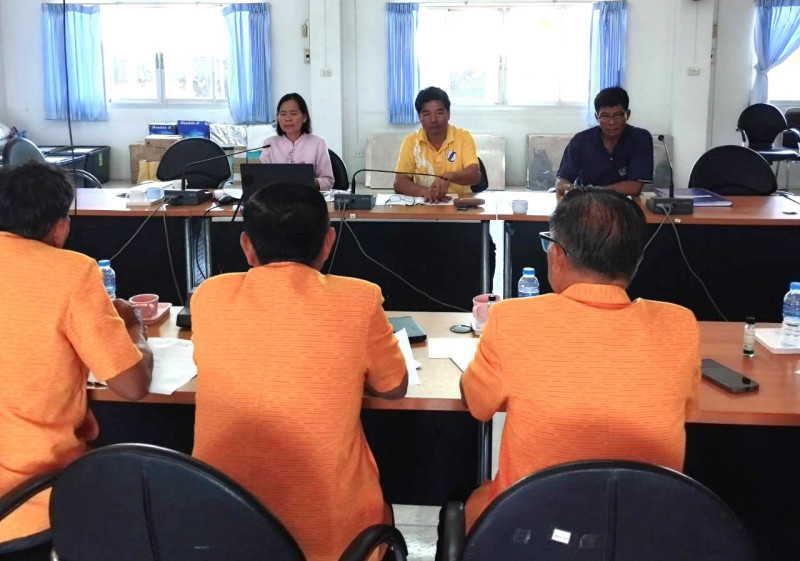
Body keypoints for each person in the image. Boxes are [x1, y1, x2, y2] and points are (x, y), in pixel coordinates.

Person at [460, 187, 700, 530]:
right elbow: (688, 411)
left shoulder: (511, 319)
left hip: (530, 533)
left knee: (474, 501)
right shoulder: (680, 324)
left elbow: (477, 404)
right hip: (641, 533)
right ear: (637, 262)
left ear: (557, 254)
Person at [191, 182, 408, 561]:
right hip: (331, 540)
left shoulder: (209, 295)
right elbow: (394, 387)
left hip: (219, 531)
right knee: (383, 511)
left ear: (247, 246)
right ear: (328, 242)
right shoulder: (359, 299)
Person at [0, 163, 153, 555]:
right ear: (60, 227)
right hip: (26, 502)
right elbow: (132, 385)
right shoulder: (71, 271)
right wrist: (134, 327)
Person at [556, 87, 653, 198]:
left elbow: (634, 187)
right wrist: (569, 188)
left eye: (618, 115)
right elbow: (561, 181)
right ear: (596, 117)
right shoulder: (580, 141)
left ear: (628, 115)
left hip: (625, 203)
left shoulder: (640, 138)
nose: (611, 122)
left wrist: (589, 191)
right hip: (588, 203)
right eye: (604, 116)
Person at [394, 87, 481, 202]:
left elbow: (475, 175)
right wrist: (427, 192)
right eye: (427, 114)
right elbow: (399, 183)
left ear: (448, 114)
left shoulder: (463, 137)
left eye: (439, 113)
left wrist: (450, 176)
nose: (433, 119)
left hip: (459, 205)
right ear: (419, 117)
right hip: (425, 203)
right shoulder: (411, 141)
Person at [260, 92, 335, 191]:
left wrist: (308, 181)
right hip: (277, 197)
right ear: (278, 117)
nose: (288, 119)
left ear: (304, 117)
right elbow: (263, 179)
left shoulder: (318, 143)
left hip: (307, 196)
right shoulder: (269, 143)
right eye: (283, 114)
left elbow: (328, 181)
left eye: (293, 113)